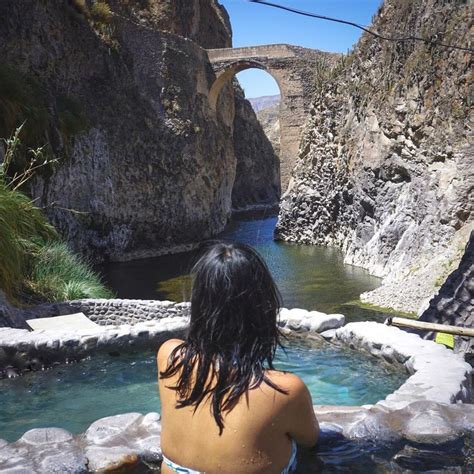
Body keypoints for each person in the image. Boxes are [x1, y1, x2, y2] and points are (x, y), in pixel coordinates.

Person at [157, 242, 319, 474]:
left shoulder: (169, 356)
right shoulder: (285, 390)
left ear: (200, 302)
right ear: (262, 307)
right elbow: (310, 440)